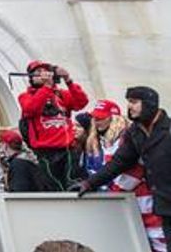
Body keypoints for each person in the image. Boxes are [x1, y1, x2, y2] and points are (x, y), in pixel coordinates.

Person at [77, 87, 171, 248]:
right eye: (128, 102)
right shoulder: (135, 132)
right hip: (163, 205)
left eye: (134, 102)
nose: (129, 107)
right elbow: (119, 162)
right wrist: (90, 183)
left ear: (149, 104)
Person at [19, 60, 89, 191]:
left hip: (67, 148)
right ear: (31, 77)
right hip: (45, 151)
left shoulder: (61, 94)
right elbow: (30, 109)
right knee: (54, 186)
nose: (42, 74)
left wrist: (68, 80)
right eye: (38, 72)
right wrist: (46, 88)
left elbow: (81, 102)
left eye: (45, 71)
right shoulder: (26, 96)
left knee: (73, 184)